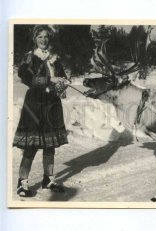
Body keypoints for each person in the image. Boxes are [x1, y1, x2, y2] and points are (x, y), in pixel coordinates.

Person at [13, 25, 70, 197]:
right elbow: (25, 77)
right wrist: (50, 79)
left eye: (46, 37)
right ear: (35, 39)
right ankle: (22, 183)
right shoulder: (30, 57)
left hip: (52, 103)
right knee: (32, 144)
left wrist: (63, 82)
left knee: (50, 144)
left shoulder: (54, 58)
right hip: (35, 104)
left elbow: (61, 77)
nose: (43, 40)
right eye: (40, 37)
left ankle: (48, 179)